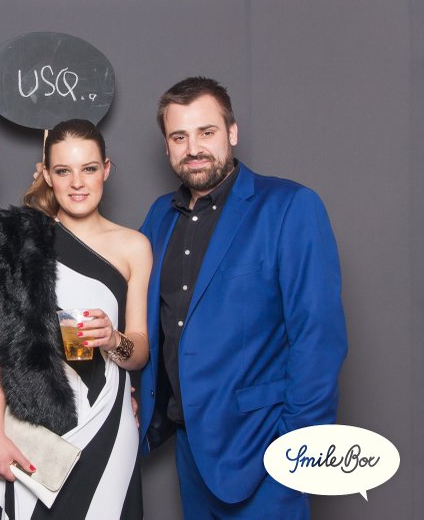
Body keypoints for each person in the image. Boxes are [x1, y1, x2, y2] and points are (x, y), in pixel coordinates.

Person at [138, 77, 348, 518]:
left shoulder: (290, 206)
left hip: (266, 448)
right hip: (190, 449)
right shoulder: (159, 217)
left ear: (232, 133)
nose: (193, 148)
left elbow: (319, 338)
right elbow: (140, 312)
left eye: (206, 132)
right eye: (179, 137)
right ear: (167, 146)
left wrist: (295, 449)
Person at [0, 119, 152, 519]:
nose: (77, 183)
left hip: (107, 420)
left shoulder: (134, 246)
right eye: (63, 170)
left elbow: (139, 351)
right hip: (30, 421)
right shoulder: (25, 240)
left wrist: (113, 339)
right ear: (47, 175)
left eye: (88, 168)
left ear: (106, 169)